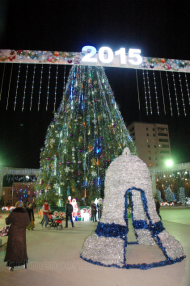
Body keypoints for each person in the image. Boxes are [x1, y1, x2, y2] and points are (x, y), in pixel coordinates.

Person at [4, 201, 30, 271]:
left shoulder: (13, 213)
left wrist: (7, 219)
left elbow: (7, 222)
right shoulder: (25, 213)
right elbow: (28, 222)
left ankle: (11, 266)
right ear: (22, 206)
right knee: (22, 248)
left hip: (13, 233)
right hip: (22, 233)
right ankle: (24, 264)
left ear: (16, 206)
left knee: (13, 248)